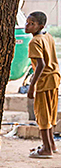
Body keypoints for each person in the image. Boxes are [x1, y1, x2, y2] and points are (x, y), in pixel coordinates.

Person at [25, 11, 60, 158]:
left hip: (44, 81)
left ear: (41, 26)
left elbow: (41, 65)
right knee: (50, 113)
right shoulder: (48, 36)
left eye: (32, 24)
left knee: (42, 115)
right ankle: (51, 144)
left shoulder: (34, 42)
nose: (27, 26)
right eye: (27, 22)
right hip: (54, 79)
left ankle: (46, 149)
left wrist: (32, 86)